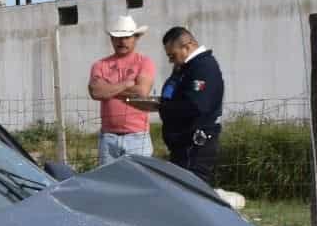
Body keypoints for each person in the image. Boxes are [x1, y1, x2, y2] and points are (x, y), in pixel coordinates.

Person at [146, 26, 224, 184]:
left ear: (187, 47)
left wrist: (161, 106)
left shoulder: (203, 67)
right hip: (182, 146)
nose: (170, 60)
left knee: (191, 194)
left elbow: (195, 105)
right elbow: (171, 93)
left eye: (172, 55)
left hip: (195, 147)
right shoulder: (185, 69)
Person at [87, 15, 156, 164]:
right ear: (111, 39)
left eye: (127, 37)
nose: (122, 41)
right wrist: (127, 84)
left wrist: (108, 88)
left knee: (139, 184)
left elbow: (141, 92)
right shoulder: (99, 65)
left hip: (137, 137)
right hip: (108, 137)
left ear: (136, 38)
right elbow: (96, 92)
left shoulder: (144, 62)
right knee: (110, 184)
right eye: (118, 37)